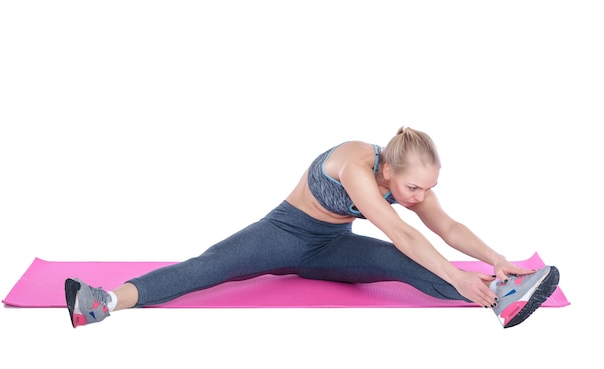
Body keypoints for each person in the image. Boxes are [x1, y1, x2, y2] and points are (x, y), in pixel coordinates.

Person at [65, 126, 560, 329]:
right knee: (211, 267)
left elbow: (446, 227)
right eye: (415, 190)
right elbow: (403, 232)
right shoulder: (354, 164)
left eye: (428, 188)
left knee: (406, 268)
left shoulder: (408, 180)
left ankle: (504, 295)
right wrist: (456, 273)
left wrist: (495, 260)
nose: (421, 198)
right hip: (283, 234)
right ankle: (103, 303)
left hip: (330, 248)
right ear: (387, 172)